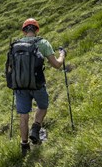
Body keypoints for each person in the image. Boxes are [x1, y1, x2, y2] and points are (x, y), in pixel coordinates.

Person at [15, 18, 66, 156]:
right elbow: (56, 65)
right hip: (37, 84)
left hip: (20, 86)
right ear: (36, 30)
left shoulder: (15, 45)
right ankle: (36, 128)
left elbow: (10, 68)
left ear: (24, 31)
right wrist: (62, 55)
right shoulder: (42, 43)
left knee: (23, 116)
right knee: (43, 106)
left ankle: (24, 146)